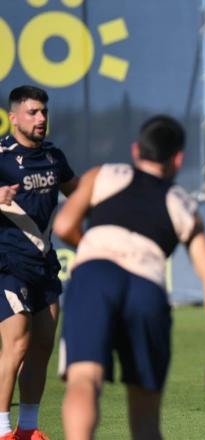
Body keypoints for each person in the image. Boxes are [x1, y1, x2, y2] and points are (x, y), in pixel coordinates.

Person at [55, 115, 205, 439]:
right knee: (146, 416)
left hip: (95, 275)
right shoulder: (183, 203)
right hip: (146, 287)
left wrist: (95, 249)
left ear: (136, 150)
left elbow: (64, 225)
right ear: (178, 158)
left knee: (84, 381)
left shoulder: (103, 174)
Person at [0, 86, 78, 440]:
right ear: (13, 117)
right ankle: (1, 431)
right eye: (32, 112)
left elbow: (78, 193)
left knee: (42, 345)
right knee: (16, 344)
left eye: (44, 112)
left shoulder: (52, 157)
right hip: (8, 265)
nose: (41, 118)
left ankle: (27, 429)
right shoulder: (0, 156)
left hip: (44, 267)